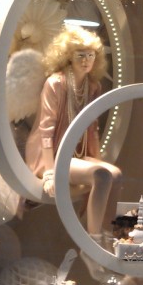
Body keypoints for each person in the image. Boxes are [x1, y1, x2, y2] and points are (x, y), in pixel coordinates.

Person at [25, 26, 123, 239]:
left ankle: (107, 235)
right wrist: (50, 173)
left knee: (115, 174)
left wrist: (95, 160)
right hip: (50, 155)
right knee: (102, 176)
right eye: (81, 55)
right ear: (69, 55)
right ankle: (93, 241)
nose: (86, 60)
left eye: (91, 55)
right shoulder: (55, 83)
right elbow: (46, 130)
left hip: (77, 154)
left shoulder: (93, 87)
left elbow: (93, 129)